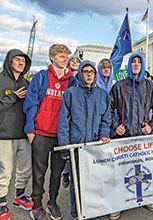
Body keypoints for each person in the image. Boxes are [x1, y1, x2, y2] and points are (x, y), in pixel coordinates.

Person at [23, 44, 78, 220]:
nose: (65, 60)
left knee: (57, 172)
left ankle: (52, 203)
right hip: (41, 132)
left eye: (66, 57)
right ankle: (36, 205)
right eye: (61, 56)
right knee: (39, 173)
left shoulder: (72, 81)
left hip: (61, 136)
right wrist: (30, 129)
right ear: (51, 57)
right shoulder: (41, 77)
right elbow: (31, 104)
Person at [109, 53, 153, 220]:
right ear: (129, 65)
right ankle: (117, 204)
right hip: (124, 137)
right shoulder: (119, 86)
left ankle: (147, 197)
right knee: (121, 171)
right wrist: (116, 126)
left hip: (142, 136)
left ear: (143, 65)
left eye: (139, 62)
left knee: (145, 168)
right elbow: (108, 109)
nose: (136, 64)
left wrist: (151, 125)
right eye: (133, 61)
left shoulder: (150, 86)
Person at [57, 60, 111, 220]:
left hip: (95, 146)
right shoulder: (70, 93)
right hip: (77, 146)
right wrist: (65, 147)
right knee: (77, 183)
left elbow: (106, 119)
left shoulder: (103, 94)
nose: (88, 74)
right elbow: (63, 122)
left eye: (92, 71)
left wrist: (103, 135)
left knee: (95, 181)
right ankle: (77, 213)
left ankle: (92, 210)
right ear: (80, 73)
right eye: (85, 71)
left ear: (95, 74)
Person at [0, 49, 33, 220]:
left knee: (25, 169)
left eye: (23, 60)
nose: (20, 63)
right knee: (5, 171)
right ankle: (1, 203)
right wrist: (12, 97)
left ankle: (19, 196)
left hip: (23, 135)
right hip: (4, 135)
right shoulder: (0, 80)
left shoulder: (26, 83)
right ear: (9, 61)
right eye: (17, 60)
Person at [61, 54, 81, 188]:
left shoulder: (82, 77)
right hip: (65, 111)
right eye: (72, 60)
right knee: (67, 146)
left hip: (77, 114)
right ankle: (65, 173)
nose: (74, 62)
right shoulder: (65, 76)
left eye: (77, 61)